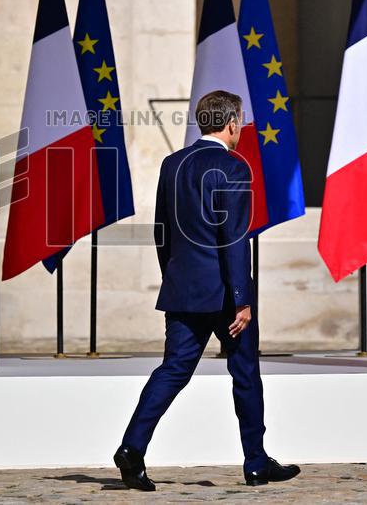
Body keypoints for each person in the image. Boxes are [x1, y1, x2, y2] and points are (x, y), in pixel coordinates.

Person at [112, 90, 300, 490]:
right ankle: (255, 462)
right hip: (225, 296)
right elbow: (233, 239)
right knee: (245, 373)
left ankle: (132, 447)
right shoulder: (233, 167)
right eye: (241, 122)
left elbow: (161, 231)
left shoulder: (172, 164)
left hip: (183, 289)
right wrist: (241, 300)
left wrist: (174, 277)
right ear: (231, 123)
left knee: (173, 369)